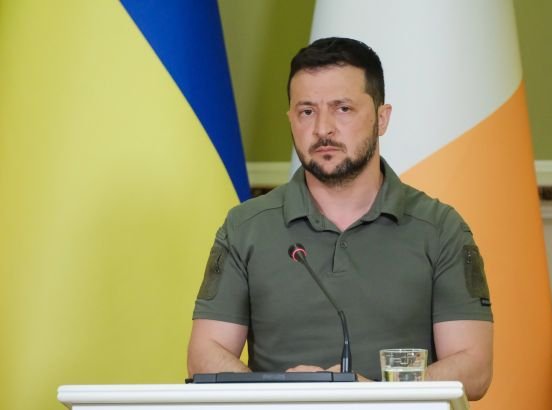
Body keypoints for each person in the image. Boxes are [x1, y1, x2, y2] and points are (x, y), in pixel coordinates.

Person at [188, 37, 493, 400]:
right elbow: (204, 355)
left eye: (343, 109)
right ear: (291, 119)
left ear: (381, 118)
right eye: (307, 111)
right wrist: (283, 396)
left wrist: (373, 396)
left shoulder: (440, 228)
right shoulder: (245, 227)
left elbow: (474, 368)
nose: (323, 129)